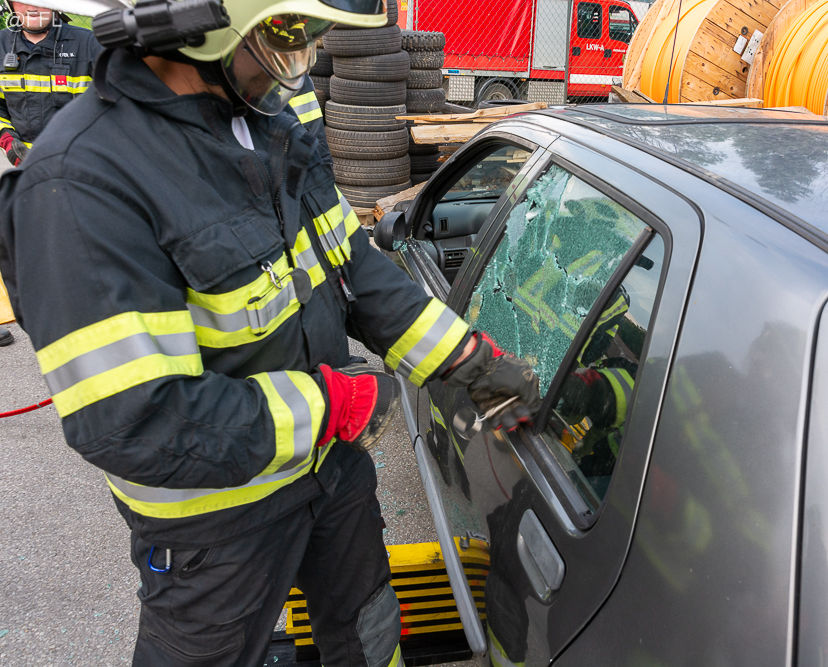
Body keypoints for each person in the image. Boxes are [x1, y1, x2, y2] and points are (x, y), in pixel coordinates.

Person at [0, 0, 541, 663]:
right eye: (286, 35)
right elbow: (133, 420)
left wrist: (471, 362)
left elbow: (354, 269)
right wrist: (334, 406)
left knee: (369, 629)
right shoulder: (83, 181)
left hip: (329, 474)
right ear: (202, 29)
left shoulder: (266, 127)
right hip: (214, 526)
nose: (299, 62)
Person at [0, 1, 102, 166]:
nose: (32, 7)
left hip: (81, 165)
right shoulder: (1, 45)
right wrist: (7, 140)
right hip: (27, 168)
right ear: (10, 4)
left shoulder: (88, 44)